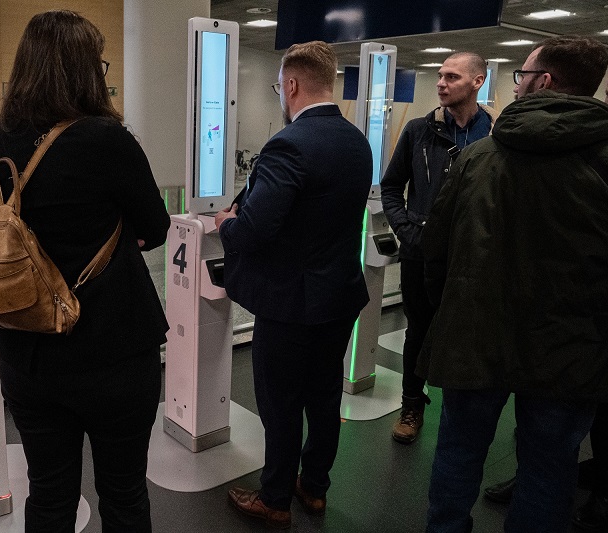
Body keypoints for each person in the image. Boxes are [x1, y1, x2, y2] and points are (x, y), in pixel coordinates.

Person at [0, 11, 170, 532]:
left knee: (49, 495)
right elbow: (157, 224)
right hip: (113, 352)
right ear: (86, 71)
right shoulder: (106, 139)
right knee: (124, 492)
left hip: (27, 352)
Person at [418, 35, 608, 532]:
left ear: (544, 82)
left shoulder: (479, 158)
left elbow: (435, 252)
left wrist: (453, 308)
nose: (517, 85)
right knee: (549, 466)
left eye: (522, 76)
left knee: (459, 452)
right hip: (571, 348)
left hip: (475, 335)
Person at [215, 40, 372, 529]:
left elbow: (255, 229)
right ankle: (314, 487)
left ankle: (275, 497)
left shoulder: (289, 144)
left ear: (291, 84)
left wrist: (226, 224)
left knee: (280, 404)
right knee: (324, 398)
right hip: (340, 296)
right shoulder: (357, 140)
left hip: (289, 305)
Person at [380, 52, 496, 444]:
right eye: (440, 76)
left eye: (452, 76)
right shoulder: (418, 131)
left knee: (469, 336)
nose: (442, 83)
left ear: (478, 81)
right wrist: (406, 230)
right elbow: (392, 187)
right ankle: (411, 404)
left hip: (473, 260)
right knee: (419, 331)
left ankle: (459, 414)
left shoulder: (496, 135)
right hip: (419, 255)